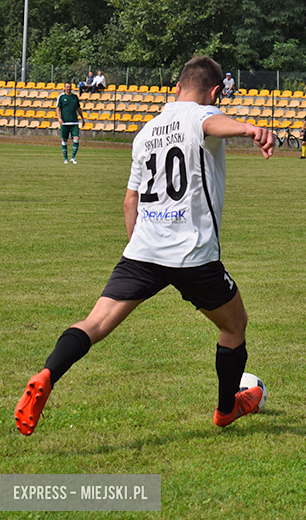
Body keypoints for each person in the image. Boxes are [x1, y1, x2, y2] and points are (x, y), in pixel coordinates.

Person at [14, 56, 275, 437]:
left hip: (142, 251)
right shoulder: (201, 114)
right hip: (193, 255)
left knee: (95, 322)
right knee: (235, 327)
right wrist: (250, 129)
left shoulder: (147, 131)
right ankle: (225, 410)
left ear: (176, 87)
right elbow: (210, 123)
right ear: (215, 92)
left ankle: (47, 373)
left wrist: (141, 247)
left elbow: (128, 201)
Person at [56, 82, 85, 164]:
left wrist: (82, 118)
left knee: (76, 139)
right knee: (64, 140)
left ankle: (73, 157)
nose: (69, 88)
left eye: (70, 87)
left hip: (74, 122)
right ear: (64, 88)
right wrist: (59, 118)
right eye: (67, 87)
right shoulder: (61, 97)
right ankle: (65, 158)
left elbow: (78, 108)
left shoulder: (75, 97)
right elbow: (58, 108)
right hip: (64, 123)